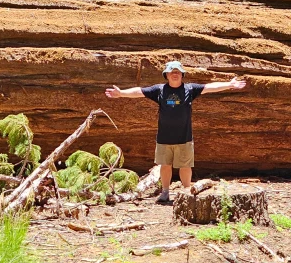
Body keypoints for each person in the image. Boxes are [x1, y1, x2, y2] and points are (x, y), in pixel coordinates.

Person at [105, 60, 246, 204]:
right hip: (164, 138)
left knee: (185, 166)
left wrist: (229, 84)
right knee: (165, 165)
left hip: (184, 137)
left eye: (178, 72)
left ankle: (187, 192)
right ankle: (165, 192)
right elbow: (139, 91)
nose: (175, 74)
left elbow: (209, 87)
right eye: (172, 72)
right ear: (166, 75)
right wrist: (121, 93)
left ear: (182, 74)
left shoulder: (190, 89)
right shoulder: (159, 90)